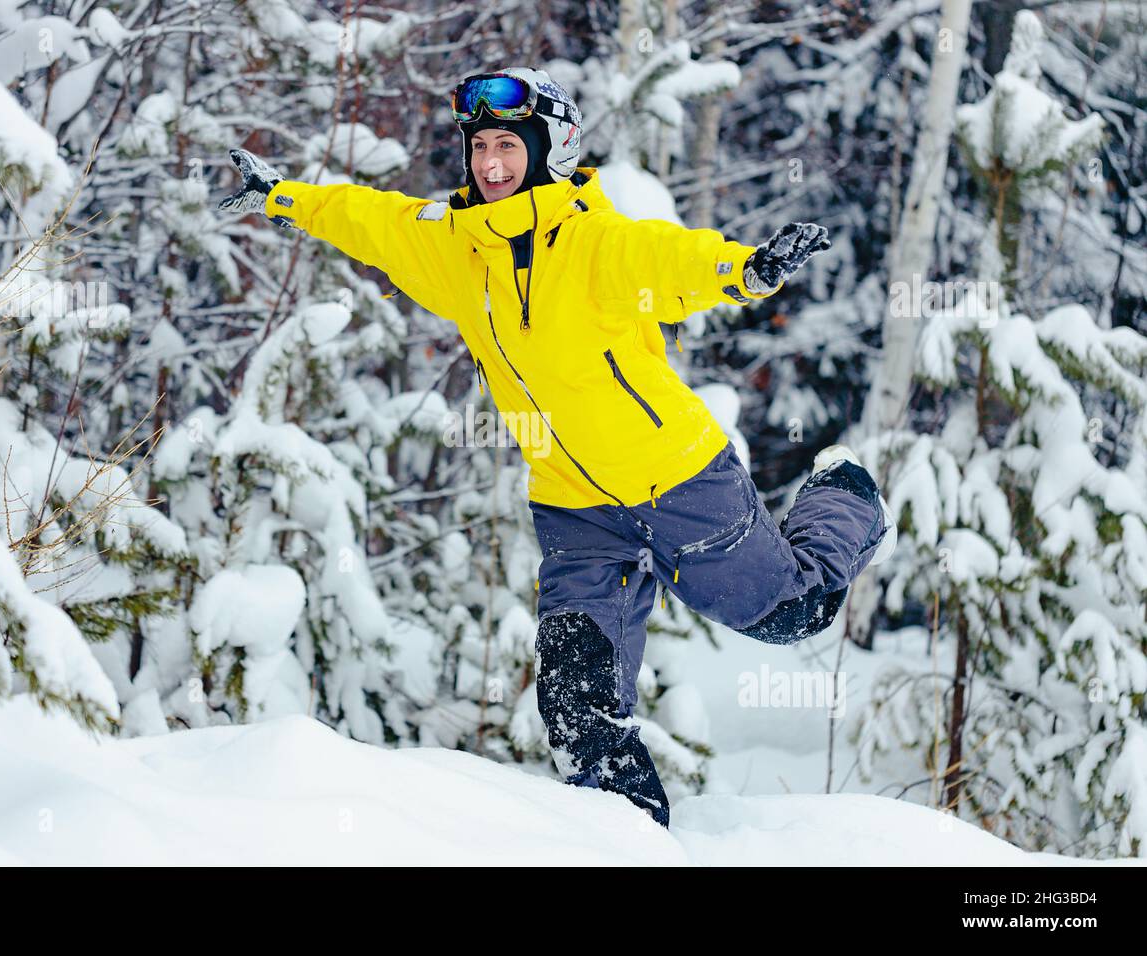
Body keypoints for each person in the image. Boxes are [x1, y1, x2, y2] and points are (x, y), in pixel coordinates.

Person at [220, 67, 896, 830]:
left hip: (676, 480)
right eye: (479, 146)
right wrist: (282, 197)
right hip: (575, 509)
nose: (491, 163)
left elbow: (666, 262)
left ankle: (846, 489)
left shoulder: (592, 243)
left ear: (551, 149)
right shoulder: (453, 247)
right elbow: (370, 219)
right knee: (577, 700)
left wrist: (742, 270)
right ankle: (628, 841)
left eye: (509, 143)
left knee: (794, 612)